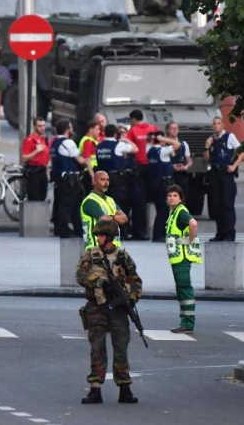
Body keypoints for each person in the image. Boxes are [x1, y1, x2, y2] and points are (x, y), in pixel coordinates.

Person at [76, 219, 143, 404]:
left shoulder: (123, 257)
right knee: (97, 348)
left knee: (121, 347)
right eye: (97, 235)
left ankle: (124, 387)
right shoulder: (90, 255)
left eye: (102, 235)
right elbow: (80, 276)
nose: (98, 238)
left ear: (110, 237)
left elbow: (135, 280)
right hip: (96, 307)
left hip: (118, 310)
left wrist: (130, 298)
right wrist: (97, 282)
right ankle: (95, 388)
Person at [165, 184, 202, 333]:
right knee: (181, 289)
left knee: (185, 289)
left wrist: (190, 240)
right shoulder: (173, 213)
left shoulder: (180, 212)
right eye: (169, 195)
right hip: (177, 258)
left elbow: (193, 223)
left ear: (181, 198)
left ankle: (187, 323)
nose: (172, 198)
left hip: (181, 258)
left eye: (175, 195)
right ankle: (185, 322)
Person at [204, 117, 244, 242]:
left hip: (226, 173)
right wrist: (206, 147)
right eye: (214, 124)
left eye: (218, 124)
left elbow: (241, 151)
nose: (216, 126)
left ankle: (229, 233)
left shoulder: (229, 137)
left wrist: (234, 165)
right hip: (215, 173)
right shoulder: (211, 139)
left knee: (227, 204)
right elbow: (206, 159)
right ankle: (220, 233)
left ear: (222, 125)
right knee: (217, 204)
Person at [50, 118, 91, 238]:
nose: (72, 130)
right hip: (70, 180)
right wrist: (87, 160)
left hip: (60, 178)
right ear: (67, 130)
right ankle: (65, 230)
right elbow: (80, 160)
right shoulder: (68, 143)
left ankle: (75, 230)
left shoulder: (54, 143)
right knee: (69, 206)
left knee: (68, 205)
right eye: (71, 127)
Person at [95, 124, 137, 238]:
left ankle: (106, 230)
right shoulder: (118, 145)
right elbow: (135, 149)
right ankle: (122, 232)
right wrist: (126, 140)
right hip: (116, 178)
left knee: (105, 205)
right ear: (115, 134)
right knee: (118, 205)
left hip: (102, 177)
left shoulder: (99, 145)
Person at [125, 110, 159, 241]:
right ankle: (153, 230)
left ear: (133, 119)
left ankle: (139, 231)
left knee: (139, 201)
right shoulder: (153, 128)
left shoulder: (133, 130)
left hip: (138, 168)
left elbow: (129, 148)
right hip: (153, 167)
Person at [80, 170, 129, 249]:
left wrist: (111, 218)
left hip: (113, 248)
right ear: (94, 182)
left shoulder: (110, 200)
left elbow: (125, 218)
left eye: (107, 180)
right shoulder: (90, 201)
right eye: (102, 180)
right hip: (96, 248)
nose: (105, 182)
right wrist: (115, 218)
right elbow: (103, 219)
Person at [147, 132, 180, 241]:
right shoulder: (163, 151)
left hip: (153, 182)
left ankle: (158, 234)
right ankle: (159, 234)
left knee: (160, 209)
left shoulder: (150, 150)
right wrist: (166, 139)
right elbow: (177, 144)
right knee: (164, 210)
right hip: (163, 183)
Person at [21, 117, 50, 201]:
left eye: (43, 126)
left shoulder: (44, 139)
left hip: (43, 171)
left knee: (43, 197)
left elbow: (46, 157)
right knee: (34, 199)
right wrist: (36, 151)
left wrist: (47, 172)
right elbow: (24, 158)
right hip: (34, 172)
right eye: (39, 126)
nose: (42, 128)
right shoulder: (29, 140)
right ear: (34, 127)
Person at [166, 122, 193, 203]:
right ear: (167, 130)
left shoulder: (184, 144)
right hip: (169, 175)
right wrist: (171, 166)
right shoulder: (164, 144)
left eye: (176, 128)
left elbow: (189, 160)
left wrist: (185, 167)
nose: (174, 130)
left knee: (183, 197)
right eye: (172, 128)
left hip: (181, 174)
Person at [78, 119, 100, 193]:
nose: (99, 131)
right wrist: (93, 176)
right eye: (97, 129)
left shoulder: (90, 140)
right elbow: (87, 159)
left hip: (90, 171)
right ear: (91, 129)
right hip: (90, 171)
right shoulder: (88, 141)